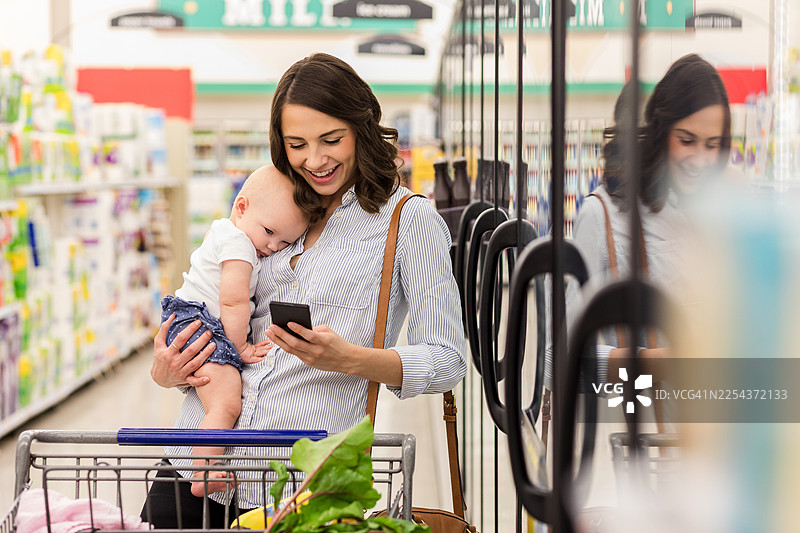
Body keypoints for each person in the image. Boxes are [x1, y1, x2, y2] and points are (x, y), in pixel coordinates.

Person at [143, 53, 467, 527]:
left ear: (362, 128)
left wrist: (348, 359)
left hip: (297, 489)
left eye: (331, 139)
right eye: (297, 144)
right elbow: (219, 306)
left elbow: (447, 359)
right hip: (191, 464)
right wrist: (168, 370)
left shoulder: (407, 221)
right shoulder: (274, 203)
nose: (314, 160)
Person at [544, 53, 731, 396]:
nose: (701, 159)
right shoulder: (605, 216)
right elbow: (557, 361)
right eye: (687, 140)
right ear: (661, 132)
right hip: (650, 438)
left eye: (713, 145)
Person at [159, 165, 311, 497]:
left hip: (190, 318)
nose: (272, 246)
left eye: (284, 241)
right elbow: (233, 301)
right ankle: (203, 475)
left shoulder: (228, 233)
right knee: (226, 404)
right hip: (201, 325)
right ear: (241, 207)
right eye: (269, 231)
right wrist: (239, 346)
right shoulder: (240, 246)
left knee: (221, 400)